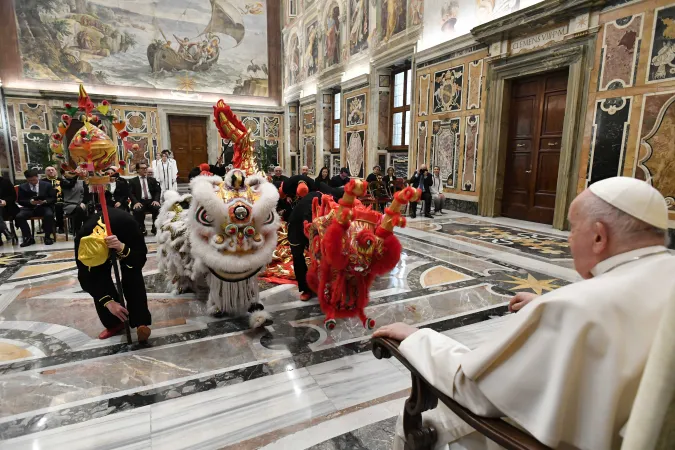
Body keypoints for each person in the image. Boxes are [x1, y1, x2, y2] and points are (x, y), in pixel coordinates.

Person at [375, 176, 675, 450]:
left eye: (573, 228)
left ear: (599, 237)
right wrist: (552, 310)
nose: (569, 240)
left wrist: (418, 338)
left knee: (421, 425)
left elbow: (471, 389)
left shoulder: (572, 308)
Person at [75, 208, 152, 342]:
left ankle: (140, 321)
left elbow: (140, 258)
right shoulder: (82, 240)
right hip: (96, 248)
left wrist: (122, 248)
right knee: (98, 278)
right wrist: (108, 302)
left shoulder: (129, 225)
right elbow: (86, 277)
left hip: (123, 236)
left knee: (132, 271)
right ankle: (114, 323)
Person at [288, 191, 323, 301]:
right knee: (298, 257)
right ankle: (306, 288)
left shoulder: (324, 200)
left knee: (320, 256)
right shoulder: (310, 206)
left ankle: (322, 284)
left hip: (313, 227)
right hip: (297, 228)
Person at [16, 168, 57, 247]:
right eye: (30, 181)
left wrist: (45, 201)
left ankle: (48, 236)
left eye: (34, 180)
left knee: (49, 215)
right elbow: (20, 200)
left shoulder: (47, 185)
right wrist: (30, 202)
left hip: (44, 206)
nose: (33, 182)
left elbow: (53, 198)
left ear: (37, 177)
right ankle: (29, 238)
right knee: (19, 216)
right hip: (29, 208)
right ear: (27, 179)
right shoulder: (22, 187)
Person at [129, 161, 161, 235]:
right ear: (137, 170)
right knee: (137, 210)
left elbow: (157, 191)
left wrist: (156, 200)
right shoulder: (133, 181)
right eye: (142, 168)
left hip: (151, 201)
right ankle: (141, 228)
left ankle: (155, 228)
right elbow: (130, 193)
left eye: (146, 168)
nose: (145, 170)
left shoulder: (152, 180)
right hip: (139, 201)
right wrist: (135, 202)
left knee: (157, 208)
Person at [44, 165, 74, 234]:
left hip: (60, 201)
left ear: (56, 171)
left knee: (58, 206)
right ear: (45, 173)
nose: (51, 171)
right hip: (47, 201)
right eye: (48, 170)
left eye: (52, 170)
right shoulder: (43, 181)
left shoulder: (61, 180)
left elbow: (69, 186)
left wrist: (74, 176)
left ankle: (61, 226)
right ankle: (49, 226)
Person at [61, 169, 87, 235]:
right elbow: (70, 185)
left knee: (88, 208)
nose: (71, 173)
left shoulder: (82, 182)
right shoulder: (63, 182)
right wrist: (76, 176)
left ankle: (86, 228)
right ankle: (77, 230)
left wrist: (82, 202)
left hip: (80, 203)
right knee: (79, 209)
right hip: (68, 204)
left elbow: (86, 194)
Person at [0, 172, 17, 245]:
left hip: (6, 208)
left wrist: (5, 201)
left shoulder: (5, 182)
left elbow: (13, 196)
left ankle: (5, 231)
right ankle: (5, 230)